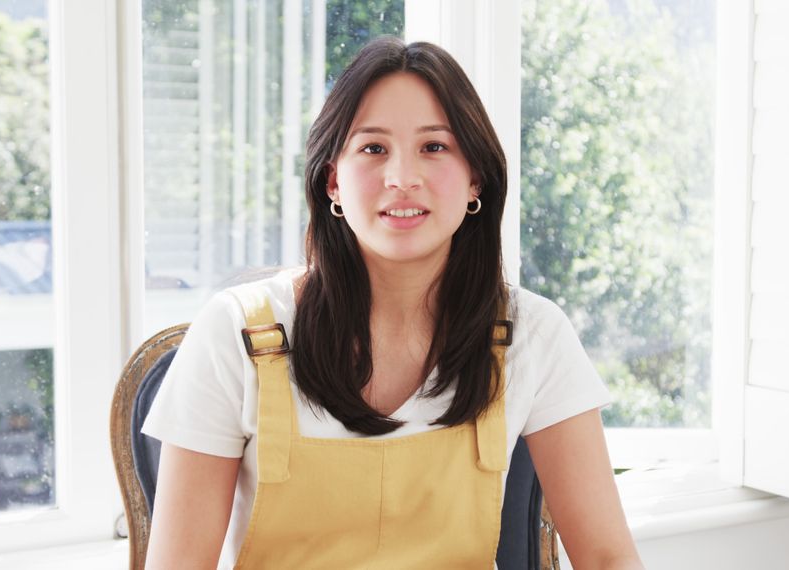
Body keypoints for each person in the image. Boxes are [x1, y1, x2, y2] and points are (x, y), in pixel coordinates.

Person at [141, 36, 644, 570]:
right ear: (332, 179)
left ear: (475, 177)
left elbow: (608, 556)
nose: (402, 178)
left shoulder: (530, 334)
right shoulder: (238, 333)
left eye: (434, 147)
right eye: (373, 148)